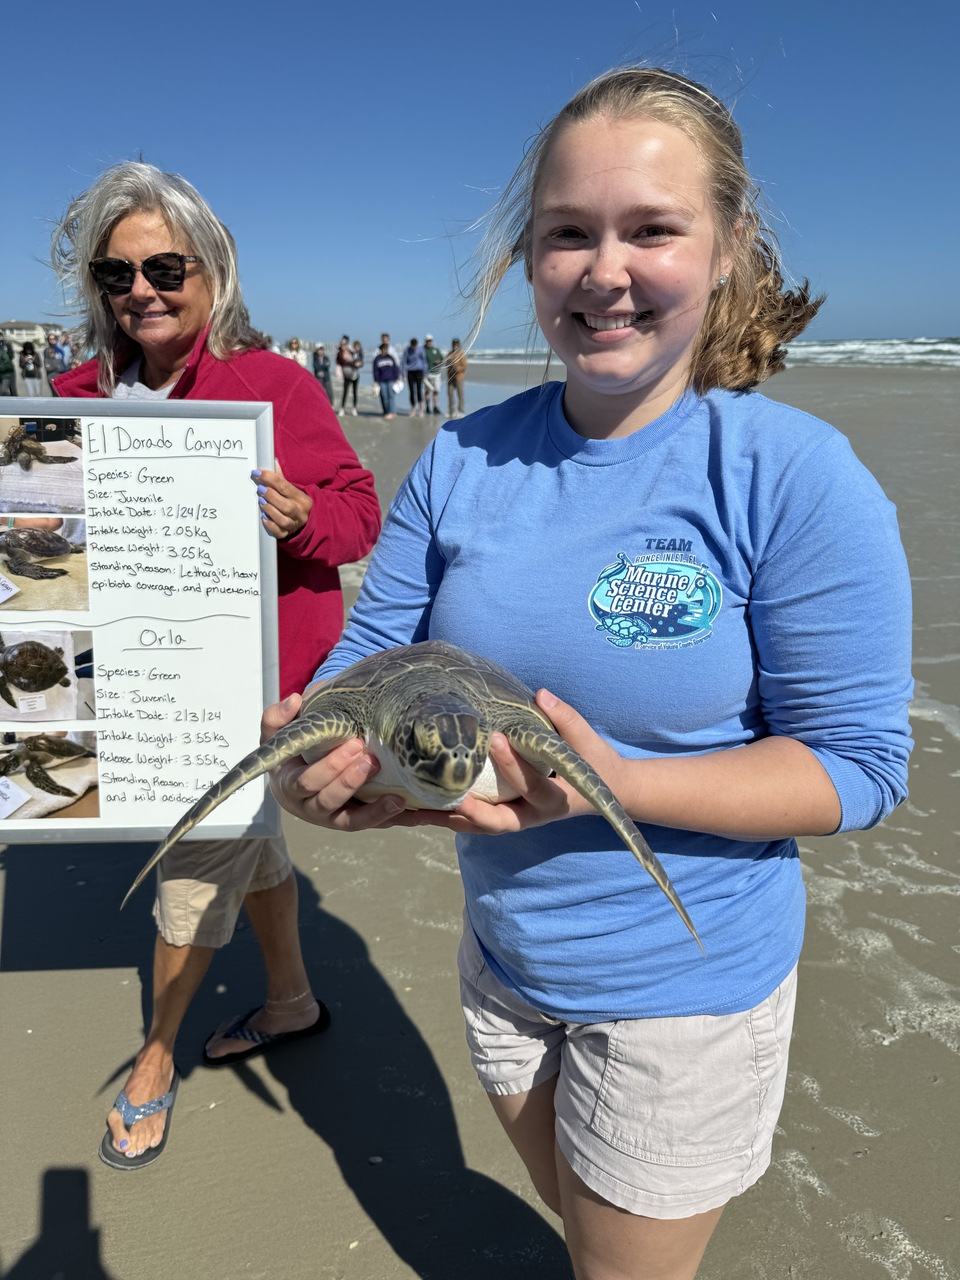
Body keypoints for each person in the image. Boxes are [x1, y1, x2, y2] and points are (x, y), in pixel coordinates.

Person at [263, 68, 912, 1279]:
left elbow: (860, 767)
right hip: (504, 954)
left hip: (686, 981)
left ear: (728, 249)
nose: (604, 270)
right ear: (529, 256)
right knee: (580, 1221)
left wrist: (623, 782)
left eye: (652, 228)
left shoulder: (791, 475)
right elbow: (370, 657)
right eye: (568, 234)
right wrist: (323, 758)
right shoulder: (460, 458)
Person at [50, 160, 381, 1171]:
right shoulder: (70, 397)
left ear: (213, 271)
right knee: (254, 846)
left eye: (165, 265)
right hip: (134, 677)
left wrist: (301, 516)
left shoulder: (271, 385)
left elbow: (360, 510)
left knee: (195, 869)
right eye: (117, 272)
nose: (141, 289)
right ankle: (290, 998)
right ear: (96, 285)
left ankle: (153, 1058)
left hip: (252, 689)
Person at [372, 341, 400, 418]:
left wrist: (397, 377)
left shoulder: (391, 358)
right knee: (384, 397)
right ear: (381, 349)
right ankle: (387, 412)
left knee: (391, 396)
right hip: (381, 380)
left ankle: (392, 412)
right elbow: (375, 370)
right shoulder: (377, 359)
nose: (386, 350)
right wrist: (375, 380)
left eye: (387, 348)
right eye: (384, 348)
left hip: (391, 379)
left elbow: (395, 368)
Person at [400, 337, 427, 417]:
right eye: (413, 345)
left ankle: (421, 409)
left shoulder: (420, 349)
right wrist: (404, 375)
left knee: (419, 390)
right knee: (412, 391)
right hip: (410, 372)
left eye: (415, 345)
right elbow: (403, 363)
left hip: (419, 371)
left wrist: (425, 373)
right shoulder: (407, 350)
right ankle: (413, 409)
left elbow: (424, 361)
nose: (414, 347)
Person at [336, 336, 360, 415]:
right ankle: (342, 408)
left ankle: (354, 408)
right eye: (342, 344)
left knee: (355, 392)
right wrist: (353, 363)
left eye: (345, 344)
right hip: (346, 375)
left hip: (355, 375)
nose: (343, 346)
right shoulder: (339, 354)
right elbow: (343, 362)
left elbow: (358, 359)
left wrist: (359, 363)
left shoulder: (352, 351)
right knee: (345, 392)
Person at [423, 335, 444, 415]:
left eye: (430, 340)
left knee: (436, 390)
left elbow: (442, 359)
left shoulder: (435, 349)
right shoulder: (423, 350)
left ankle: (435, 406)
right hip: (428, 374)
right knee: (427, 391)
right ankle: (427, 407)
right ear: (425, 341)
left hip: (437, 373)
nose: (429, 342)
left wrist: (439, 361)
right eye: (428, 340)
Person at [446, 337, 467, 418]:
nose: (455, 346)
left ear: (458, 345)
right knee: (450, 394)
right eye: (454, 344)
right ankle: (451, 411)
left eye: (456, 344)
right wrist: (450, 367)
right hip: (451, 378)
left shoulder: (462, 354)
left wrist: (457, 369)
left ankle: (461, 410)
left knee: (460, 394)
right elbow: (446, 364)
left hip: (459, 377)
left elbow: (464, 366)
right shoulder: (449, 354)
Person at [0, 329, 15, 395]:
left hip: (7, 370)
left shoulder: (7, 345)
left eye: (0, 335)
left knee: (12, 388)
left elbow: (11, 356)